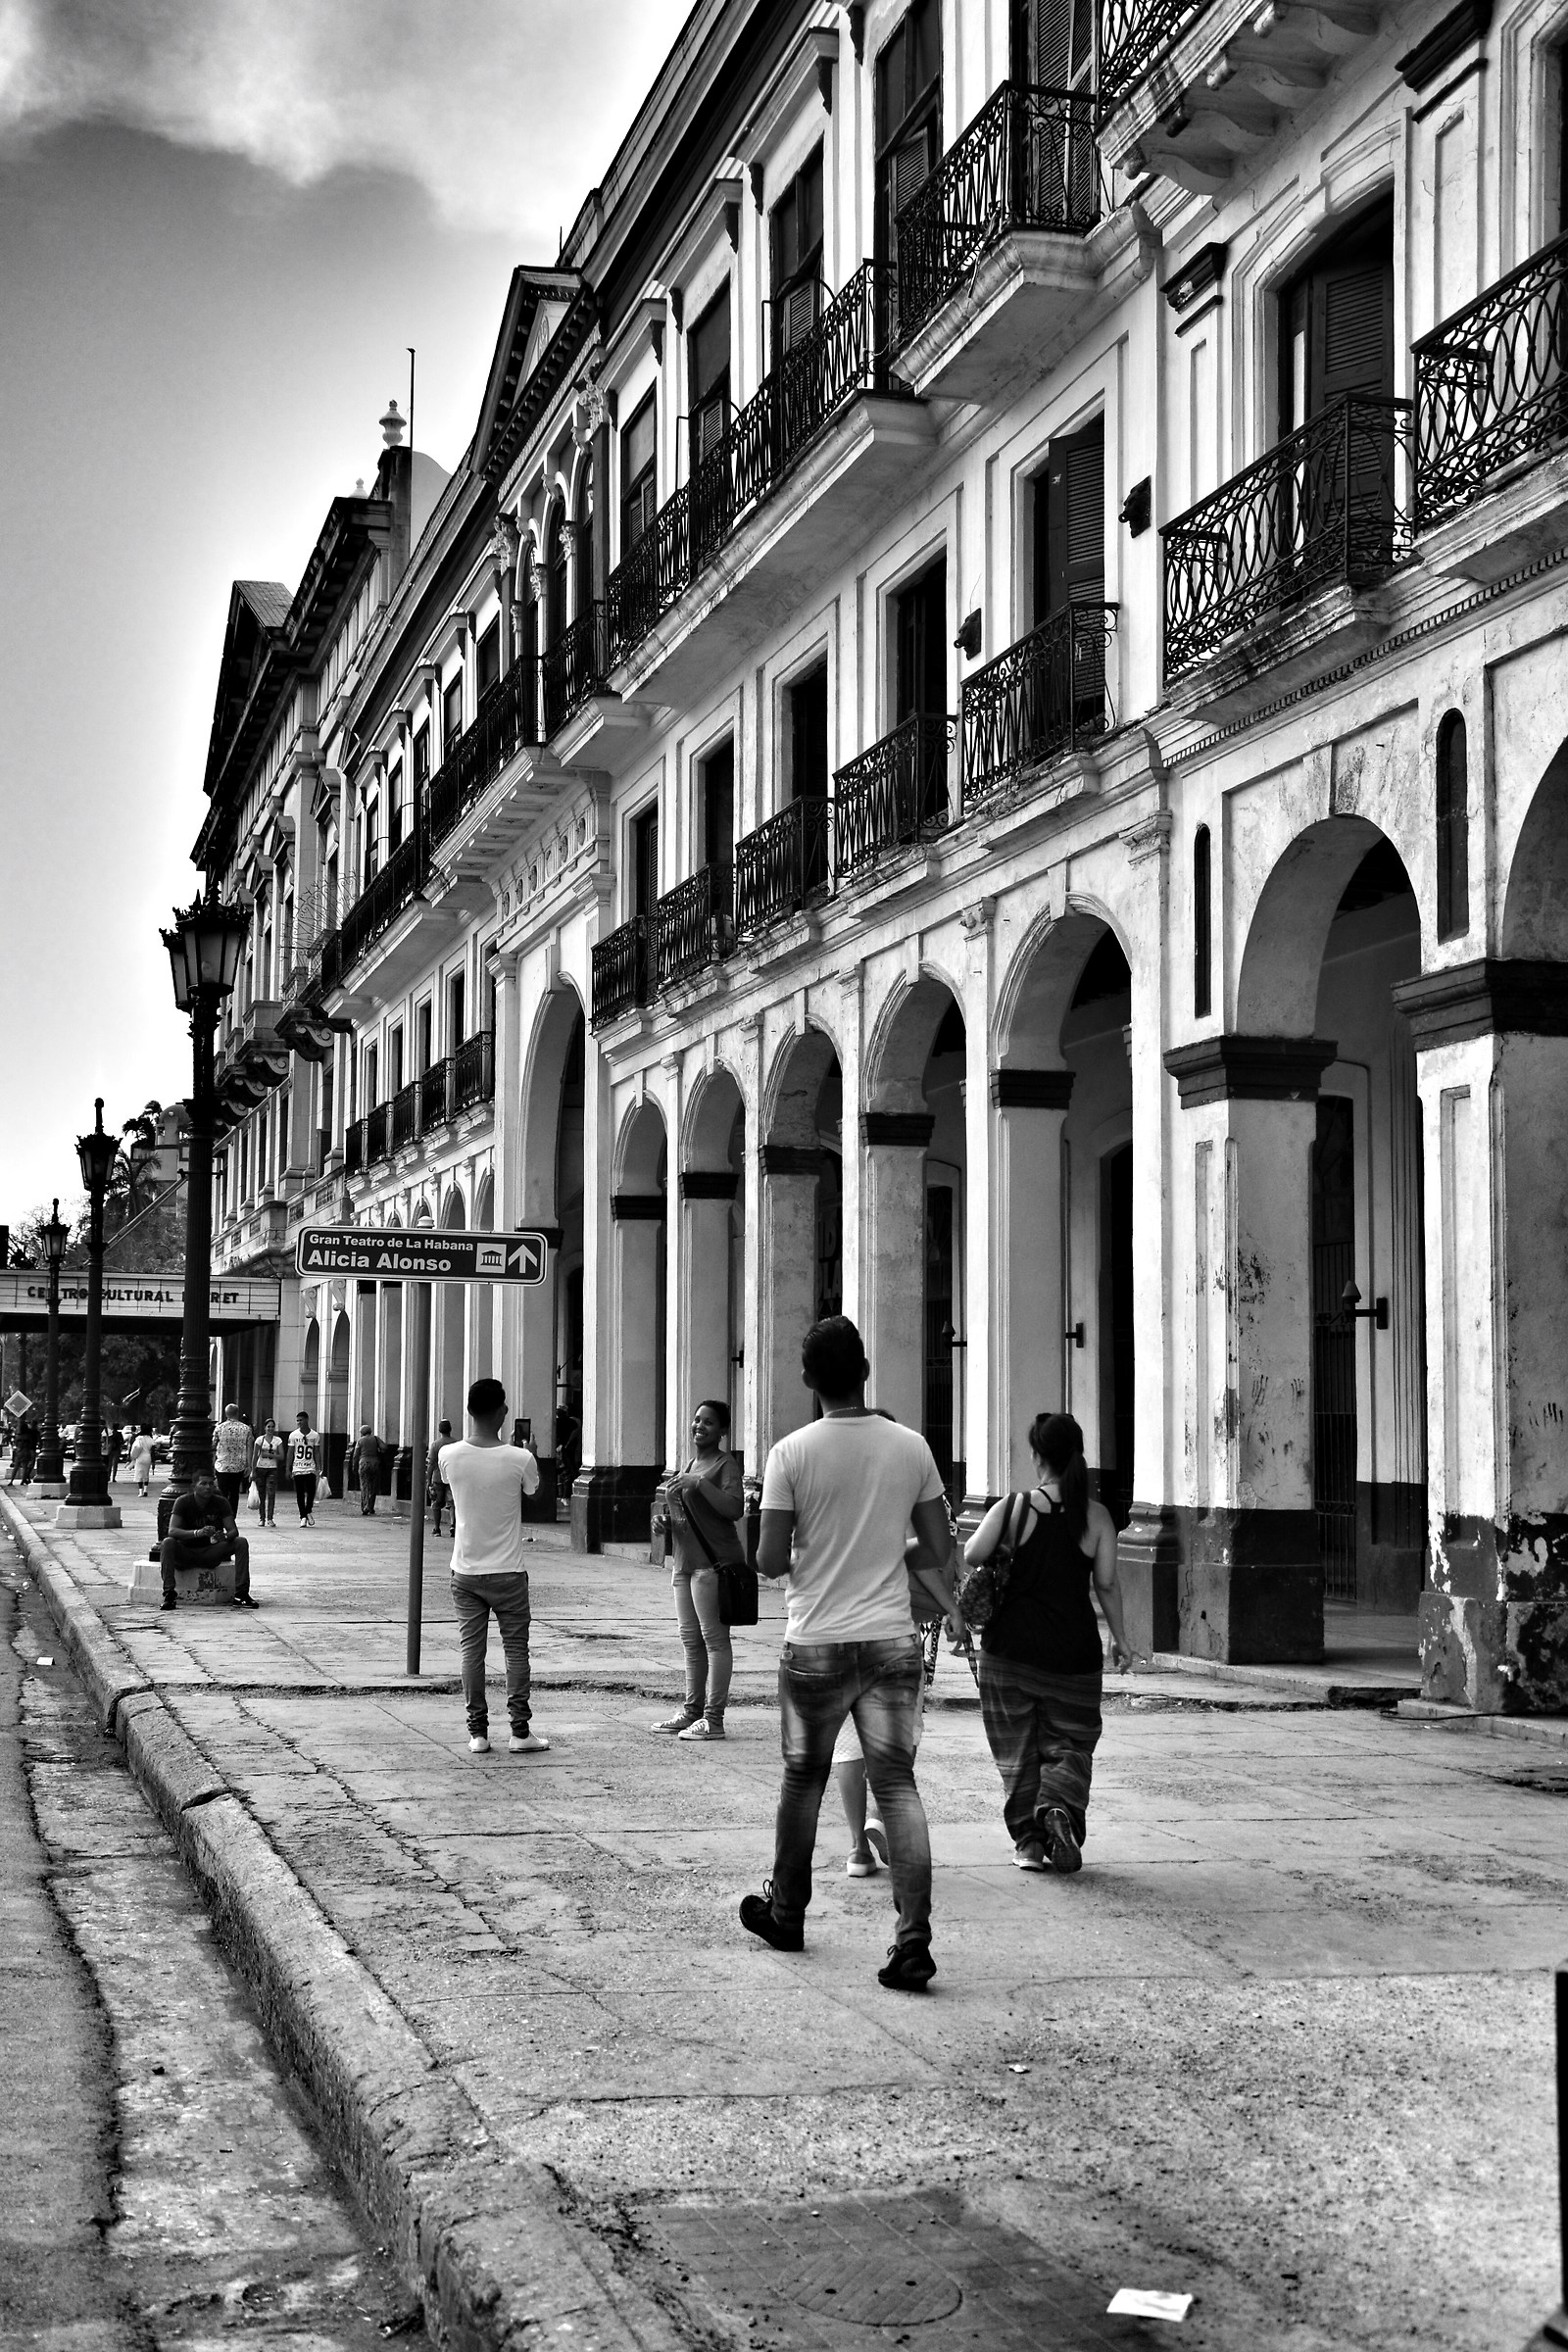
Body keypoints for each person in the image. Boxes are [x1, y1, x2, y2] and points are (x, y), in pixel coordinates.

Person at [745, 1315, 960, 1993]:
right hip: (891, 1641)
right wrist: (884, 1553)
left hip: (814, 1642)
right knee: (897, 1786)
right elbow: (938, 1548)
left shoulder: (791, 1454)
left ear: (809, 1380)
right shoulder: (910, 1447)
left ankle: (787, 1914)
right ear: (866, 1371)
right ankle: (913, 1941)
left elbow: (770, 1560)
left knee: (801, 1781)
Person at [961, 1411, 1148, 1875]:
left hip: (1010, 1653)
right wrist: (1121, 1640)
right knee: (1071, 1742)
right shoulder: (1098, 1517)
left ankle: (1028, 1843)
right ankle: (1058, 1809)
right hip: (1074, 1654)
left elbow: (972, 1554)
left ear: (1036, 1455)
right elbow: (1106, 1585)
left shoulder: (1014, 1507)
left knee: (1017, 1750)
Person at [438, 1378, 548, 1757]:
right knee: (516, 1651)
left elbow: (447, 1484)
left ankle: (478, 1733)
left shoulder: (449, 1455)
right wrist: (529, 1451)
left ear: (469, 1411)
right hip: (509, 1571)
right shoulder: (520, 1459)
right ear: (502, 1411)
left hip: (465, 1570)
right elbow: (534, 1491)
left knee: (472, 1652)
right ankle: (520, 1731)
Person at [651, 1398, 746, 1743]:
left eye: (708, 1422)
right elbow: (686, 1515)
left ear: (722, 1431)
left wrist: (699, 1483)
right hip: (684, 1564)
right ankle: (692, 1711)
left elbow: (734, 1509)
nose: (699, 1426)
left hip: (713, 1565)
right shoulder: (690, 1463)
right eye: (696, 1420)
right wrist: (665, 1523)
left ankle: (713, 1718)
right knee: (691, 1641)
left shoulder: (724, 1465)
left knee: (715, 1641)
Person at [158, 1470, 255, 1611]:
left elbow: (233, 1530)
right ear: (194, 1486)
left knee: (240, 1541)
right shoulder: (183, 1502)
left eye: (211, 1483)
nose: (208, 1487)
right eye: (203, 1483)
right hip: (186, 1552)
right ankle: (169, 1595)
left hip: (210, 1552)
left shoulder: (221, 1502)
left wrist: (225, 1536)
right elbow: (172, 1531)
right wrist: (198, 1533)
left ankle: (241, 1594)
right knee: (167, 1543)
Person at [212, 1403, 254, 1518]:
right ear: (237, 1413)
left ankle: (222, 1515)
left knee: (222, 1492)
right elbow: (250, 1447)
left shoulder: (219, 1428)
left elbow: (213, 1447)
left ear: (226, 1414)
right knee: (235, 1492)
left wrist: (212, 1466)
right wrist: (249, 1465)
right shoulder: (246, 1429)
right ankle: (232, 1516)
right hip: (238, 1466)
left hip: (222, 1465)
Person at [288, 1411, 321, 1524]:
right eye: (297, 1420)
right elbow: (290, 1452)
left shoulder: (315, 1435)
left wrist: (319, 1467)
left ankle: (308, 1510)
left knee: (311, 1492)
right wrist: (288, 1468)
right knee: (300, 1493)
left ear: (306, 1420)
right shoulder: (293, 1435)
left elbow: (317, 1452)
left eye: (301, 1420)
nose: (299, 1422)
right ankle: (302, 1516)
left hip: (310, 1467)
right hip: (298, 1467)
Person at [251, 1417, 283, 1527]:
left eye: (272, 1427)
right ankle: (262, 1518)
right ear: (265, 1428)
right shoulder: (260, 1440)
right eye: (268, 1426)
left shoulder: (278, 1441)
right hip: (260, 1468)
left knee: (271, 1493)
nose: (270, 1429)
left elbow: (281, 1456)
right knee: (261, 1494)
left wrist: (269, 1455)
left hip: (272, 1468)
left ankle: (270, 1518)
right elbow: (255, 1456)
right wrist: (253, 1470)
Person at [348, 1424, 383, 1514]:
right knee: (373, 1486)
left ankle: (365, 1507)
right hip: (375, 1464)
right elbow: (384, 1447)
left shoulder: (360, 1441)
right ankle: (371, 1507)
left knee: (364, 1485)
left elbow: (356, 1455)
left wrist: (354, 1466)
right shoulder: (376, 1439)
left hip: (364, 1463)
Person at [427, 1420, 453, 1536]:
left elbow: (431, 1463)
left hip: (438, 1477)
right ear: (450, 1429)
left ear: (439, 1430)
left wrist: (428, 1479)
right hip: (452, 1476)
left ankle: (437, 1528)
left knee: (436, 1504)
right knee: (452, 1502)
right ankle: (453, 1525)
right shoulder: (455, 1443)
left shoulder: (435, 1444)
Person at [127, 1424, 155, 1497]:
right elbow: (153, 1451)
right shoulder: (151, 1439)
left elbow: (135, 1448)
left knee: (139, 1474)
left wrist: (132, 1457)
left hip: (140, 1457)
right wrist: (153, 1461)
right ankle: (145, 1490)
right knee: (146, 1474)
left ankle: (140, 1492)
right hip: (148, 1457)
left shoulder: (139, 1438)